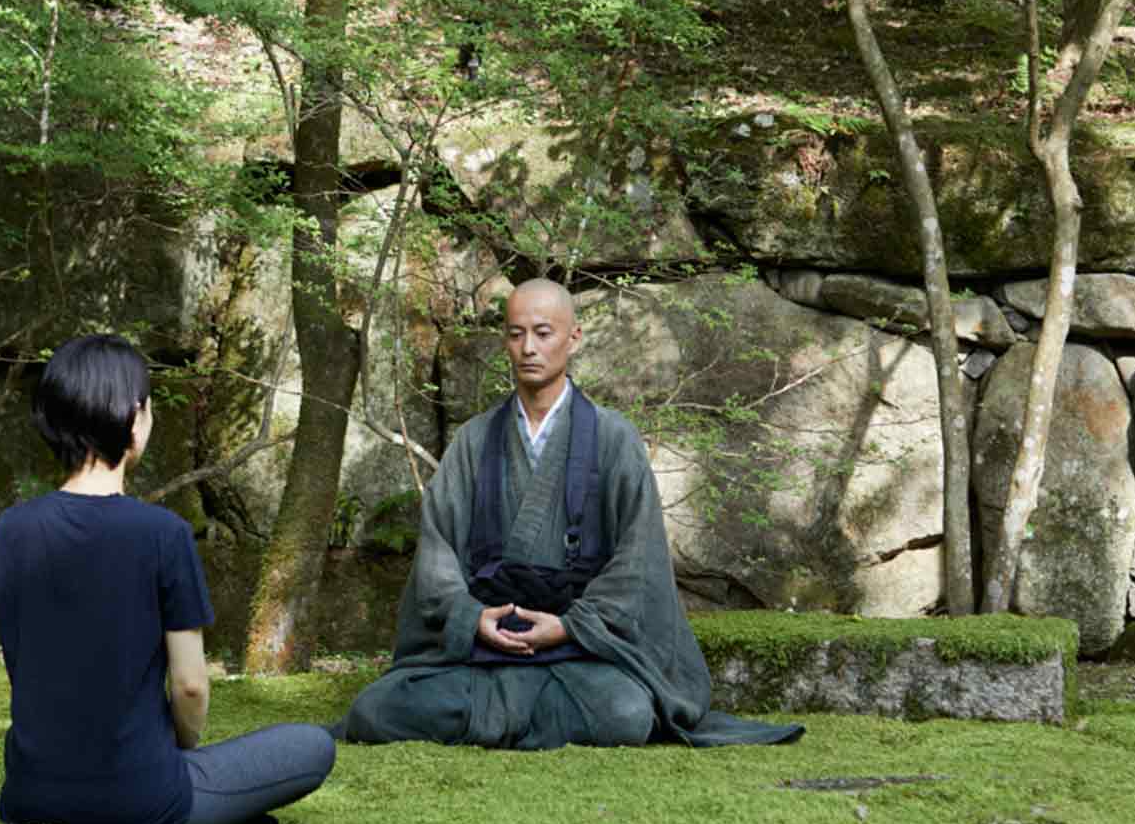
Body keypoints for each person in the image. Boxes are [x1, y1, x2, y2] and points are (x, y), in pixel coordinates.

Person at [336, 279, 802, 750]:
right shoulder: (474, 441)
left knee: (626, 711)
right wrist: (473, 618)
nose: (528, 349)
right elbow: (438, 554)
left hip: (577, 649)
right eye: (516, 334)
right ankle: (528, 717)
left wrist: (568, 626)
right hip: (485, 646)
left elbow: (635, 563)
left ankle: (492, 717)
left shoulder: (614, 439)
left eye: (543, 333)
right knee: (374, 711)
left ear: (573, 338)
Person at [0, 333, 335, 824]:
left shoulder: (11, 530)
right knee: (311, 746)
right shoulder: (164, 534)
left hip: (28, 796)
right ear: (135, 417)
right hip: (141, 796)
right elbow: (190, 686)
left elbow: (24, 667)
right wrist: (181, 754)